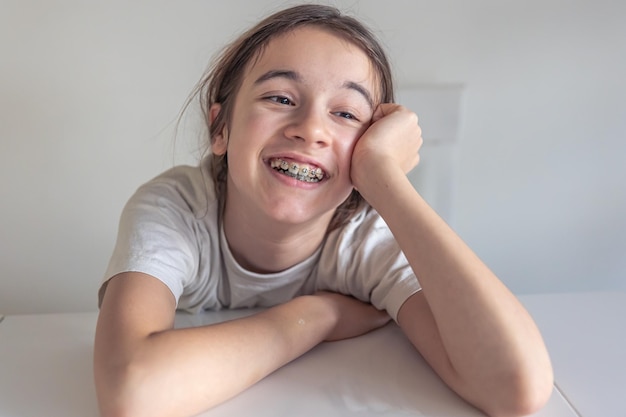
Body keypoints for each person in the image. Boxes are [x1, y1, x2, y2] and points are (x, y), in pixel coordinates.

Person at [94, 4, 553, 417]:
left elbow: (515, 387)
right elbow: (134, 392)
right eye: (280, 98)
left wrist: (387, 181)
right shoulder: (174, 210)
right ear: (221, 127)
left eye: (347, 114)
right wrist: (318, 317)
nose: (310, 129)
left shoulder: (367, 241)